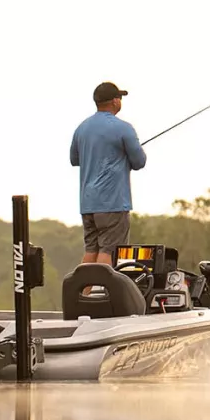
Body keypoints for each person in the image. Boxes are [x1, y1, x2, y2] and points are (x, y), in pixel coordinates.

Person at [70, 81, 147, 275]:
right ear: (114, 101)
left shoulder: (81, 128)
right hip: (112, 203)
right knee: (108, 252)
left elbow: (74, 159)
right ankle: (98, 294)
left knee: (91, 251)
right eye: (119, 98)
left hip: (88, 204)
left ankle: (82, 296)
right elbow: (139, 162)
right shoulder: (124, 128)